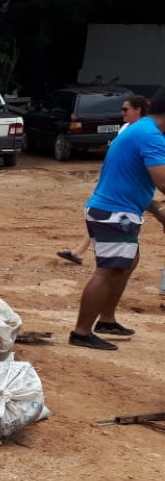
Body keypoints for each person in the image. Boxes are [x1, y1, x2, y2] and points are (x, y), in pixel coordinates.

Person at [69, 87, 165, 350]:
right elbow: (163, 179)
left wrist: (157, 211)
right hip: (114, 213)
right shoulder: (151, 135)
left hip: (114, 209)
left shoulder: (142, 130)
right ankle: (81, 332)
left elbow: (131, 181)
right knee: (109, 270)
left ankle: (106, 320)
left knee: (127, 262)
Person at [58, 95, 151, 264]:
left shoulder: (145, 131)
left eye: (125, 109)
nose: (122, 113)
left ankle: (83, 252)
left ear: (138, 110)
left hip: (130, 185)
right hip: (121, 184)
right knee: (104, 214)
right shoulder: (127, 128)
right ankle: (80, 251)